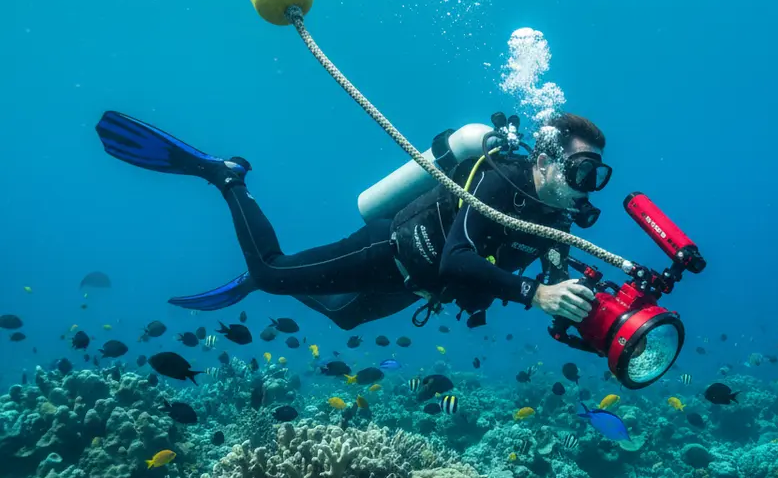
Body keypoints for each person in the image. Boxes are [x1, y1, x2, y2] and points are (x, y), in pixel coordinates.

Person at [95, 110, 613, 330]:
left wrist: (576, 304)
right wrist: (534, 295)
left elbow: (550, 282)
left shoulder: (555, 223)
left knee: (343, 318)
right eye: (580, 169)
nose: (585, 185)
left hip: (416, 288)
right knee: (274, 273)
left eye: (596, 175)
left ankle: (269, 277)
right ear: (544, 161)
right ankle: (225, 177)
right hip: (389, 249)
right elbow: (458, 257)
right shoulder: (500, 177)